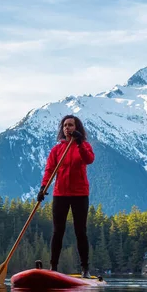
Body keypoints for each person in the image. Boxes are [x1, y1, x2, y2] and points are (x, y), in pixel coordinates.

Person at [38, 114, 95, 278]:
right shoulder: (57, 150)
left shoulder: (84, 146)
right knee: (58, 231)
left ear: (77, 128)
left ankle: (85, 269)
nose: (67, 128)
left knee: (80, 231)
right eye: (65, 125)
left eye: (70, 125)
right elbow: (49, 170)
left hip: (80, 194)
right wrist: (43, 187)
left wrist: (79, 143)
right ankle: (53, 267)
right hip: (60, 194)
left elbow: (89, 159)